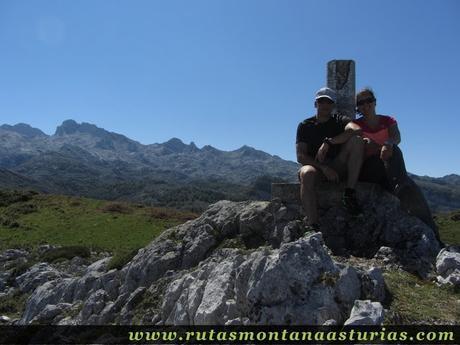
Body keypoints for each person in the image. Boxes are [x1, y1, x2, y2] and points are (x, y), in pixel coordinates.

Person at [354, 87, 441, 241]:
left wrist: (388, 143)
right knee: (391, 155)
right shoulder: (356, 124)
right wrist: (383, 146)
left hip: (389, 169)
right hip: (369, 169)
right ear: (357, 107)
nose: (365, 104)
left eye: (369, 100)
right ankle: (400, 184)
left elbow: (396, 137)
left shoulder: (388, 120)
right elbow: (365, 146)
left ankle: (433, 234)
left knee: (411, 186)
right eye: (361, 102)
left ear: (375, 102)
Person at [296, 87, 364, 232]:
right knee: (306, 172)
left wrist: (329, 142)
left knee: (357, 140)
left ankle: (349, 193)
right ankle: (313, 225)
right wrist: (323, 168)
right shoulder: (305, 125)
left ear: (333, 105)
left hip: (337, 165)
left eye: (328, 102)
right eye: (321, 101)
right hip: (317, 168)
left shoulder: (339, 120)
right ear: (316, 104)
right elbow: (300, 156)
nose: (325, 105)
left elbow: (357, 130)